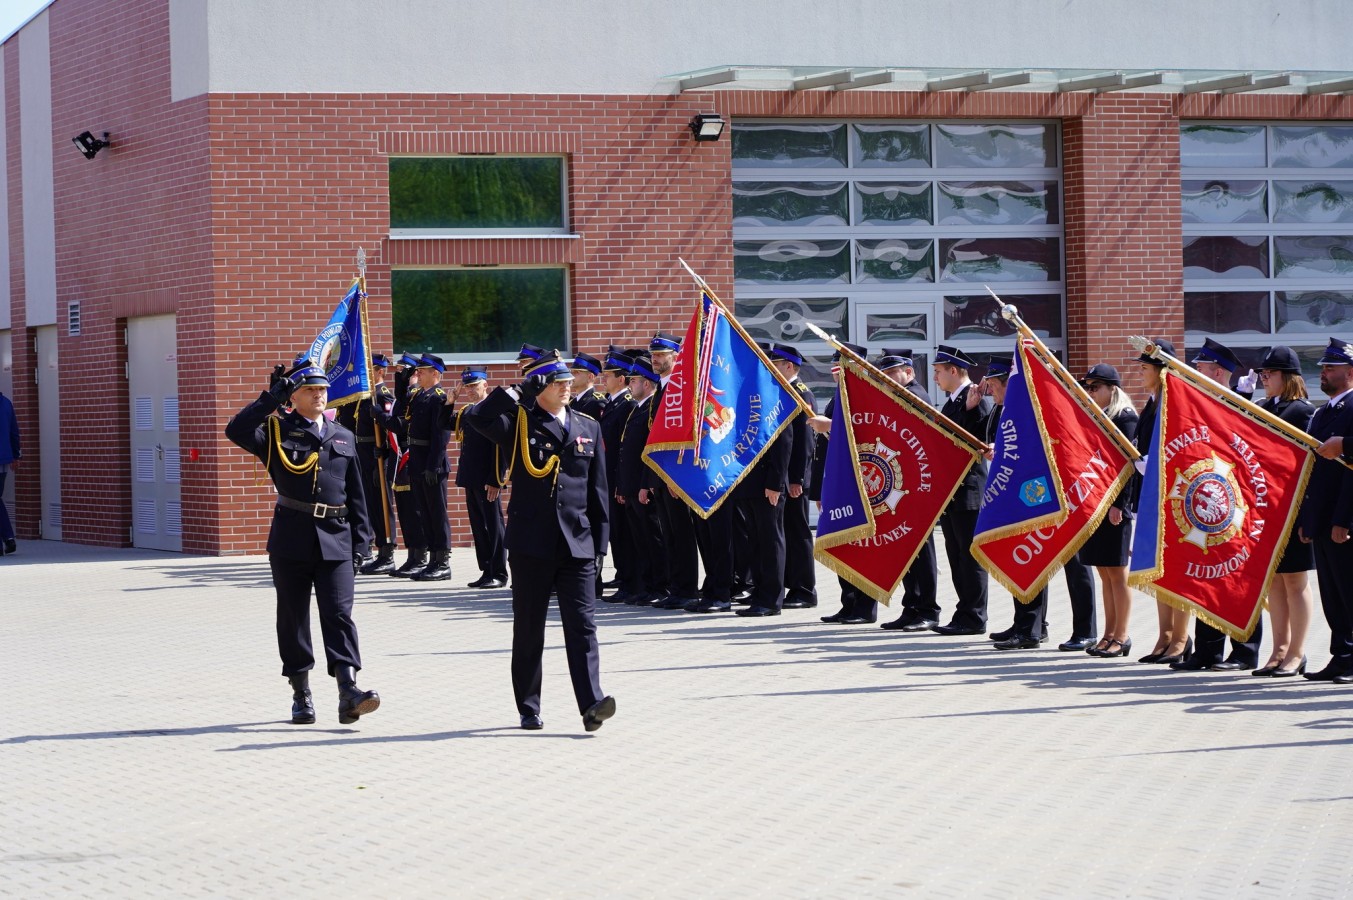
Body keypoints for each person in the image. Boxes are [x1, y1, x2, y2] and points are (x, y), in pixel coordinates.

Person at [468, 350, 616, 732]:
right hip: (531, 543)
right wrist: (517, 392)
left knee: (582, 627)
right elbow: (477, 418)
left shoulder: (588, 426)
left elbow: (597, 490)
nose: (567, 386)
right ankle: (528, 706)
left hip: (577, 543)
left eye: (569, 381)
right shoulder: (518, 422)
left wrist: (600, 546)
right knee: (530, 627)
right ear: (540, 387)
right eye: (558, 382)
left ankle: (592, 703)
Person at [224, 363, 380, 725]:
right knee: (293, 617)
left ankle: (348, 691)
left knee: (339, 614)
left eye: (322, 389)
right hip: (292, 538)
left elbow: (358, 494)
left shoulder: (343, 435)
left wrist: (363, 542)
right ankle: (301, 694)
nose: (319, 395)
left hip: (337, 539)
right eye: (310, 390)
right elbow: (236, 429)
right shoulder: (277, 430)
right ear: (293, 396)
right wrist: (269, 400)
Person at [1172, 338, 1264, 670]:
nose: (1196, 372)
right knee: (1207, 576)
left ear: (1218, 371)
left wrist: (1245, 399)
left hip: (1237, 507)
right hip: (1207, 504)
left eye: (1201, 368)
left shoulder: (1238, 405)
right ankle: (1208, 650)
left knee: (1238, 577)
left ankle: (1245, 650)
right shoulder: (1203, 404)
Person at [1253, 346, 1316, 678]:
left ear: (1287, 377)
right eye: (1262, 374)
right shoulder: (1263, 408)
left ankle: (1297, 651)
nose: (1264, 380)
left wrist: (1308, 513)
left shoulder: (1302, 412)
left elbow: (1310, 464)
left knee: (1295, 580)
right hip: (1267, 509)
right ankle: (1278, 650)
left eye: (1270, 374)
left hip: (1293, 508)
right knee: (1273, 581)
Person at [808, 341, 881, 625]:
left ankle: (865, 606)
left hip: (859, 483)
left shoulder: (866, 395)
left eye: (841, 365)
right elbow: (824, 451)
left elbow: (864, 435)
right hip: (836, 481)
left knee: (860, 545)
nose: (834, 370)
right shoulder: (838, 396)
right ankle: (848, 602)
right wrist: (820, 489)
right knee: (842, 544)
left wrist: (830, 427)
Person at [1130, 339, 1193, 665]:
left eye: (1145, 366)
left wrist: (1154, 464)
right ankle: (1165, 635)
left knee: (1175, 569)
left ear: (1161, 368)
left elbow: (1183, 448)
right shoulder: (1152, 403)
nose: (1140, 371)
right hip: (1151, 495)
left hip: (1172, 496)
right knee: (1159, 571)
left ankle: (1181, 638)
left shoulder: (1174, 403)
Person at [873, 349, 942, 632]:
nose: (888, 379)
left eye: (892, 374)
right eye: (884, 375)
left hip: (916, 486)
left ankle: (928, 609)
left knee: (921, 551)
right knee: (906, 550)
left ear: (909, 373)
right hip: (900, 485)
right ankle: (911, 607)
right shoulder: (895, 396)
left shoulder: (917, 397)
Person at [1076, 364, 1140, 659]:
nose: (1090, 393)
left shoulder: (1125, 418)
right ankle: (1108, 633)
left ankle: (1122, 635)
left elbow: (1128, 465)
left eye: (1095, 388)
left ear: (1111, 389)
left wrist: (1120, 505)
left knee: (1117, 572)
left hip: (1115, 505)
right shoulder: (1100, 417)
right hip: (1096, 502)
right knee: (1104, 572)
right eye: (1088, 388)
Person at [1299, 338, 1353, 684]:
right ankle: (1341, 655)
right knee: (1332, 595)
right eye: (1322, 367)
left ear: (1349, 371)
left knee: (1349, 591)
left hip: (1343, 518)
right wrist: (1310, 518)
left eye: (1330, 367)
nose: (1324, 373)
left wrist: (1343, 520)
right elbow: (1312, 473)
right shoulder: (1322, 412)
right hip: (1322, 519)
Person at [730, 343, 797, 618]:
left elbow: (784, 442)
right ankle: (760, 593)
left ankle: (771, 598)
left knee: (771, 541)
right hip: (749, 482)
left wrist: (775, 483)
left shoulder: (775, 393)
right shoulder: (751, 393)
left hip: (767, 484)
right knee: (756, 542)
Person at [931, 346, 995, 635]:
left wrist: (970, 410)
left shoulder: (977, 400)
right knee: (956, 555)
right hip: (952, 491)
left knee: (969, 558)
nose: (935, 377)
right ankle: (964, 611)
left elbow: (979, 443)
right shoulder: (953, 401)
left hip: (969, 490)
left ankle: (974, 616)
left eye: (938, 371)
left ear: (953, 371)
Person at [643, 332, 702, 611]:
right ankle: (677, 588)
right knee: (670, 535)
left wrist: (677, 476)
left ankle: (688, 588)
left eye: (660, 355)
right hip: (661, 475)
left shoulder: (680, 388)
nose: (655, 360)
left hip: (677, 476)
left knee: (682, 534)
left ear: (676, 356)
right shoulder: (661, 387)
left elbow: (685, 435)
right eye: (653, 355)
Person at [390, 354, 457, 582]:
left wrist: (433, 465)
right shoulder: (419, 395)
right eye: (418, 371)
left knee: (437, 513)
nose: (418, 374)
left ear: (435, 374)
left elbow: (441, 436)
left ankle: (443, 561)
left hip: (431, 461)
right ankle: (431, 560)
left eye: (423, 371)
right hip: (418, 460)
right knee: (424, 513)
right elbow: (401, 402)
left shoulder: (439, 398)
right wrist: (402, 378)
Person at [335, 353, 399, 575]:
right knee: (368, 505)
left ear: (381, 371)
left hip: (376, 456)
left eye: (370, 369)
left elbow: (392, 431)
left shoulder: (383, 396)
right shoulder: (363, 395)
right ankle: (375, 548)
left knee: (381, 505)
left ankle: (387, 552)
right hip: (360, 453)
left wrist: (384, 454)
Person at [770, 342, 820, 611]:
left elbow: (805, 441)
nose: (773, 370)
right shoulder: (785, 392)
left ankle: (804, 589)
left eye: (776, 365)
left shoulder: (801, 393)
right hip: (786, 477)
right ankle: (794, 586)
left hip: (794, 478)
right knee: (788, 530)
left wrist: (797, 478)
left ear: (789, 366)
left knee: (799, 532)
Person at [615, 352, 665, 605]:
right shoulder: (639, 408)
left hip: (643, 486)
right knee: (641, 541)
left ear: (646, 383)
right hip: (632, 486)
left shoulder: (650, 408)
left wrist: (646, 484)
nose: (629, 384)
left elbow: (648, 451)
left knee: (653, 540)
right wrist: (623, 486)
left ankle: (659, 586)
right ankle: (645, 586)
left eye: (633, 380)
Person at [452, 367, 509, 589]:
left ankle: (499, 572)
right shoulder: (468, 410)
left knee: (493, 527)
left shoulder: (493, 410)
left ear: (485, 384)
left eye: (474, 386)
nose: (470, 390)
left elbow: (500, 447)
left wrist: (496, 479)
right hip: (471, 477)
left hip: (488, 479)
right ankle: (486, 570)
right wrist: (450, 402)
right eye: (467, 386)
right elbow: (442, 424)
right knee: (478, 526)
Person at [596, 349, 637, 602]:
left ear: (621, 379)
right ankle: (624, 577)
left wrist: (620, 483)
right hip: (609, 479)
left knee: (625, 534)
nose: (604, 380)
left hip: (618, 479)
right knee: (617, 534)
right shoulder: (612, 404)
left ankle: (631, 581)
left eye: (608, 375)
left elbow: (623, 449)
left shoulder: (627, 405)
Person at [0, 388, 19, 556]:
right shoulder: (6, 403)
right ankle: (8, 538)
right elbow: (14, 431)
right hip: (4, 460)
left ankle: (7, 538)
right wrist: (16, 455)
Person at [569, 351, 607, 419]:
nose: (571, 376)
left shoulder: (597, 403)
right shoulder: (572, 402)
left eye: (576, 372)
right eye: (571, 372)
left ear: (590, 377)